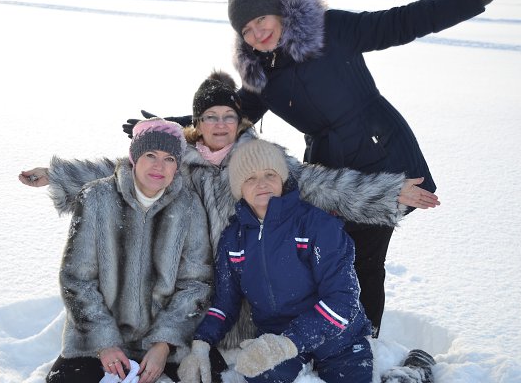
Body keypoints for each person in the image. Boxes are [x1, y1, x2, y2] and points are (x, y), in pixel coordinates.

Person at [20, 72, 438, 362]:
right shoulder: (178, 158)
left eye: (228, 116)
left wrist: (388, 192)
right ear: (197, 123)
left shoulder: (259, 158)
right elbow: (122, 171)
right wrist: (57, 176)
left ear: (240, 121)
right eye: (210, 117)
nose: (220, 125)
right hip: (190, 287)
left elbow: (320, 183)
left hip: (249, 287)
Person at [225, 0, 514, 336]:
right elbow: (227, 116)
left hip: (379, 153)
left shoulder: (330, 29)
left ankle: (365, 338)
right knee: (322, 255)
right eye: (247, 30)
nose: (258, 33)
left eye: (261, 20)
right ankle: (333, 332)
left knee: (363, 259)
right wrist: (179, 128)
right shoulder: (261, 75)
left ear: (279, 12)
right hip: (328, 169)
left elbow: (404, 21)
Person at [178, 139, 433, 383]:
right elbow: (225, 303)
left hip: (337, 336)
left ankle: (413, 372)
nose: (262, 184)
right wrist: (201, 344)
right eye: (250, 178)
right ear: (238, 188)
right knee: (259, 375)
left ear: (282, 178)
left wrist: (289, 343)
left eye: (270, 174)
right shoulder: (234, 239)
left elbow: (343, 299)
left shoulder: (317, 225)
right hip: (276, 337)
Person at [46, 118, 213, 383]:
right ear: (135, 157)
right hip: (95, 342)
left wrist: (164, 343)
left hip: (161, 346)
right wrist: (104, 342)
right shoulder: (96, 197)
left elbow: (196, 284)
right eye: (150, 155)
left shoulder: (189, 207)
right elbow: (77, 279)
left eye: (169, 159)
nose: (159, 166)